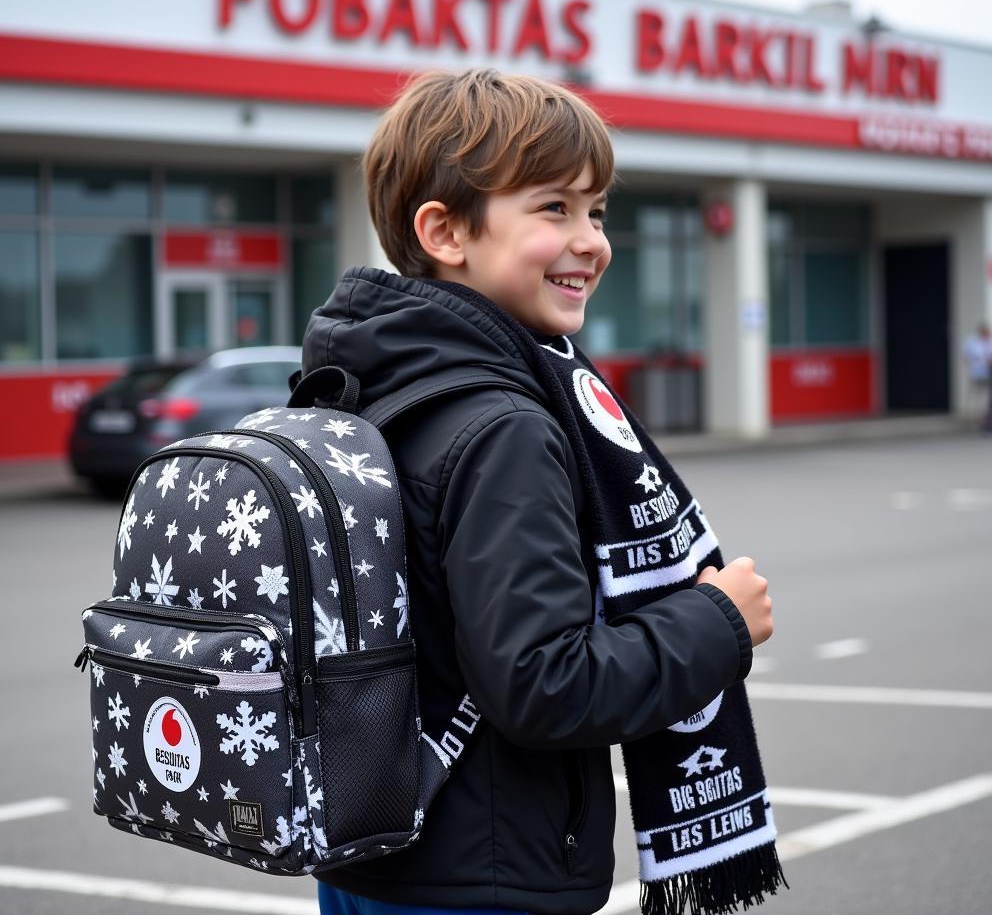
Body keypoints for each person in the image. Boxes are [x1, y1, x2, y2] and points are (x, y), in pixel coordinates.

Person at [303, 69, 780, 915]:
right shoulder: (505, 426)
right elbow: (543, 684)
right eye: (553, 208)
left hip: (370, 850)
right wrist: (718, 622)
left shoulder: (365, 382)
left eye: (597, 211)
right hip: (483, 876)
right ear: (445, 231)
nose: (592, 239)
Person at [962, 322, 992, 428]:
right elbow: (966, 356)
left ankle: (985, 418)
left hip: (989, 372)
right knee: (976, 394)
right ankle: (974, 417)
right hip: (977, 372)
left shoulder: (990, 341)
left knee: (987, 397)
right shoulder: (972, 341)